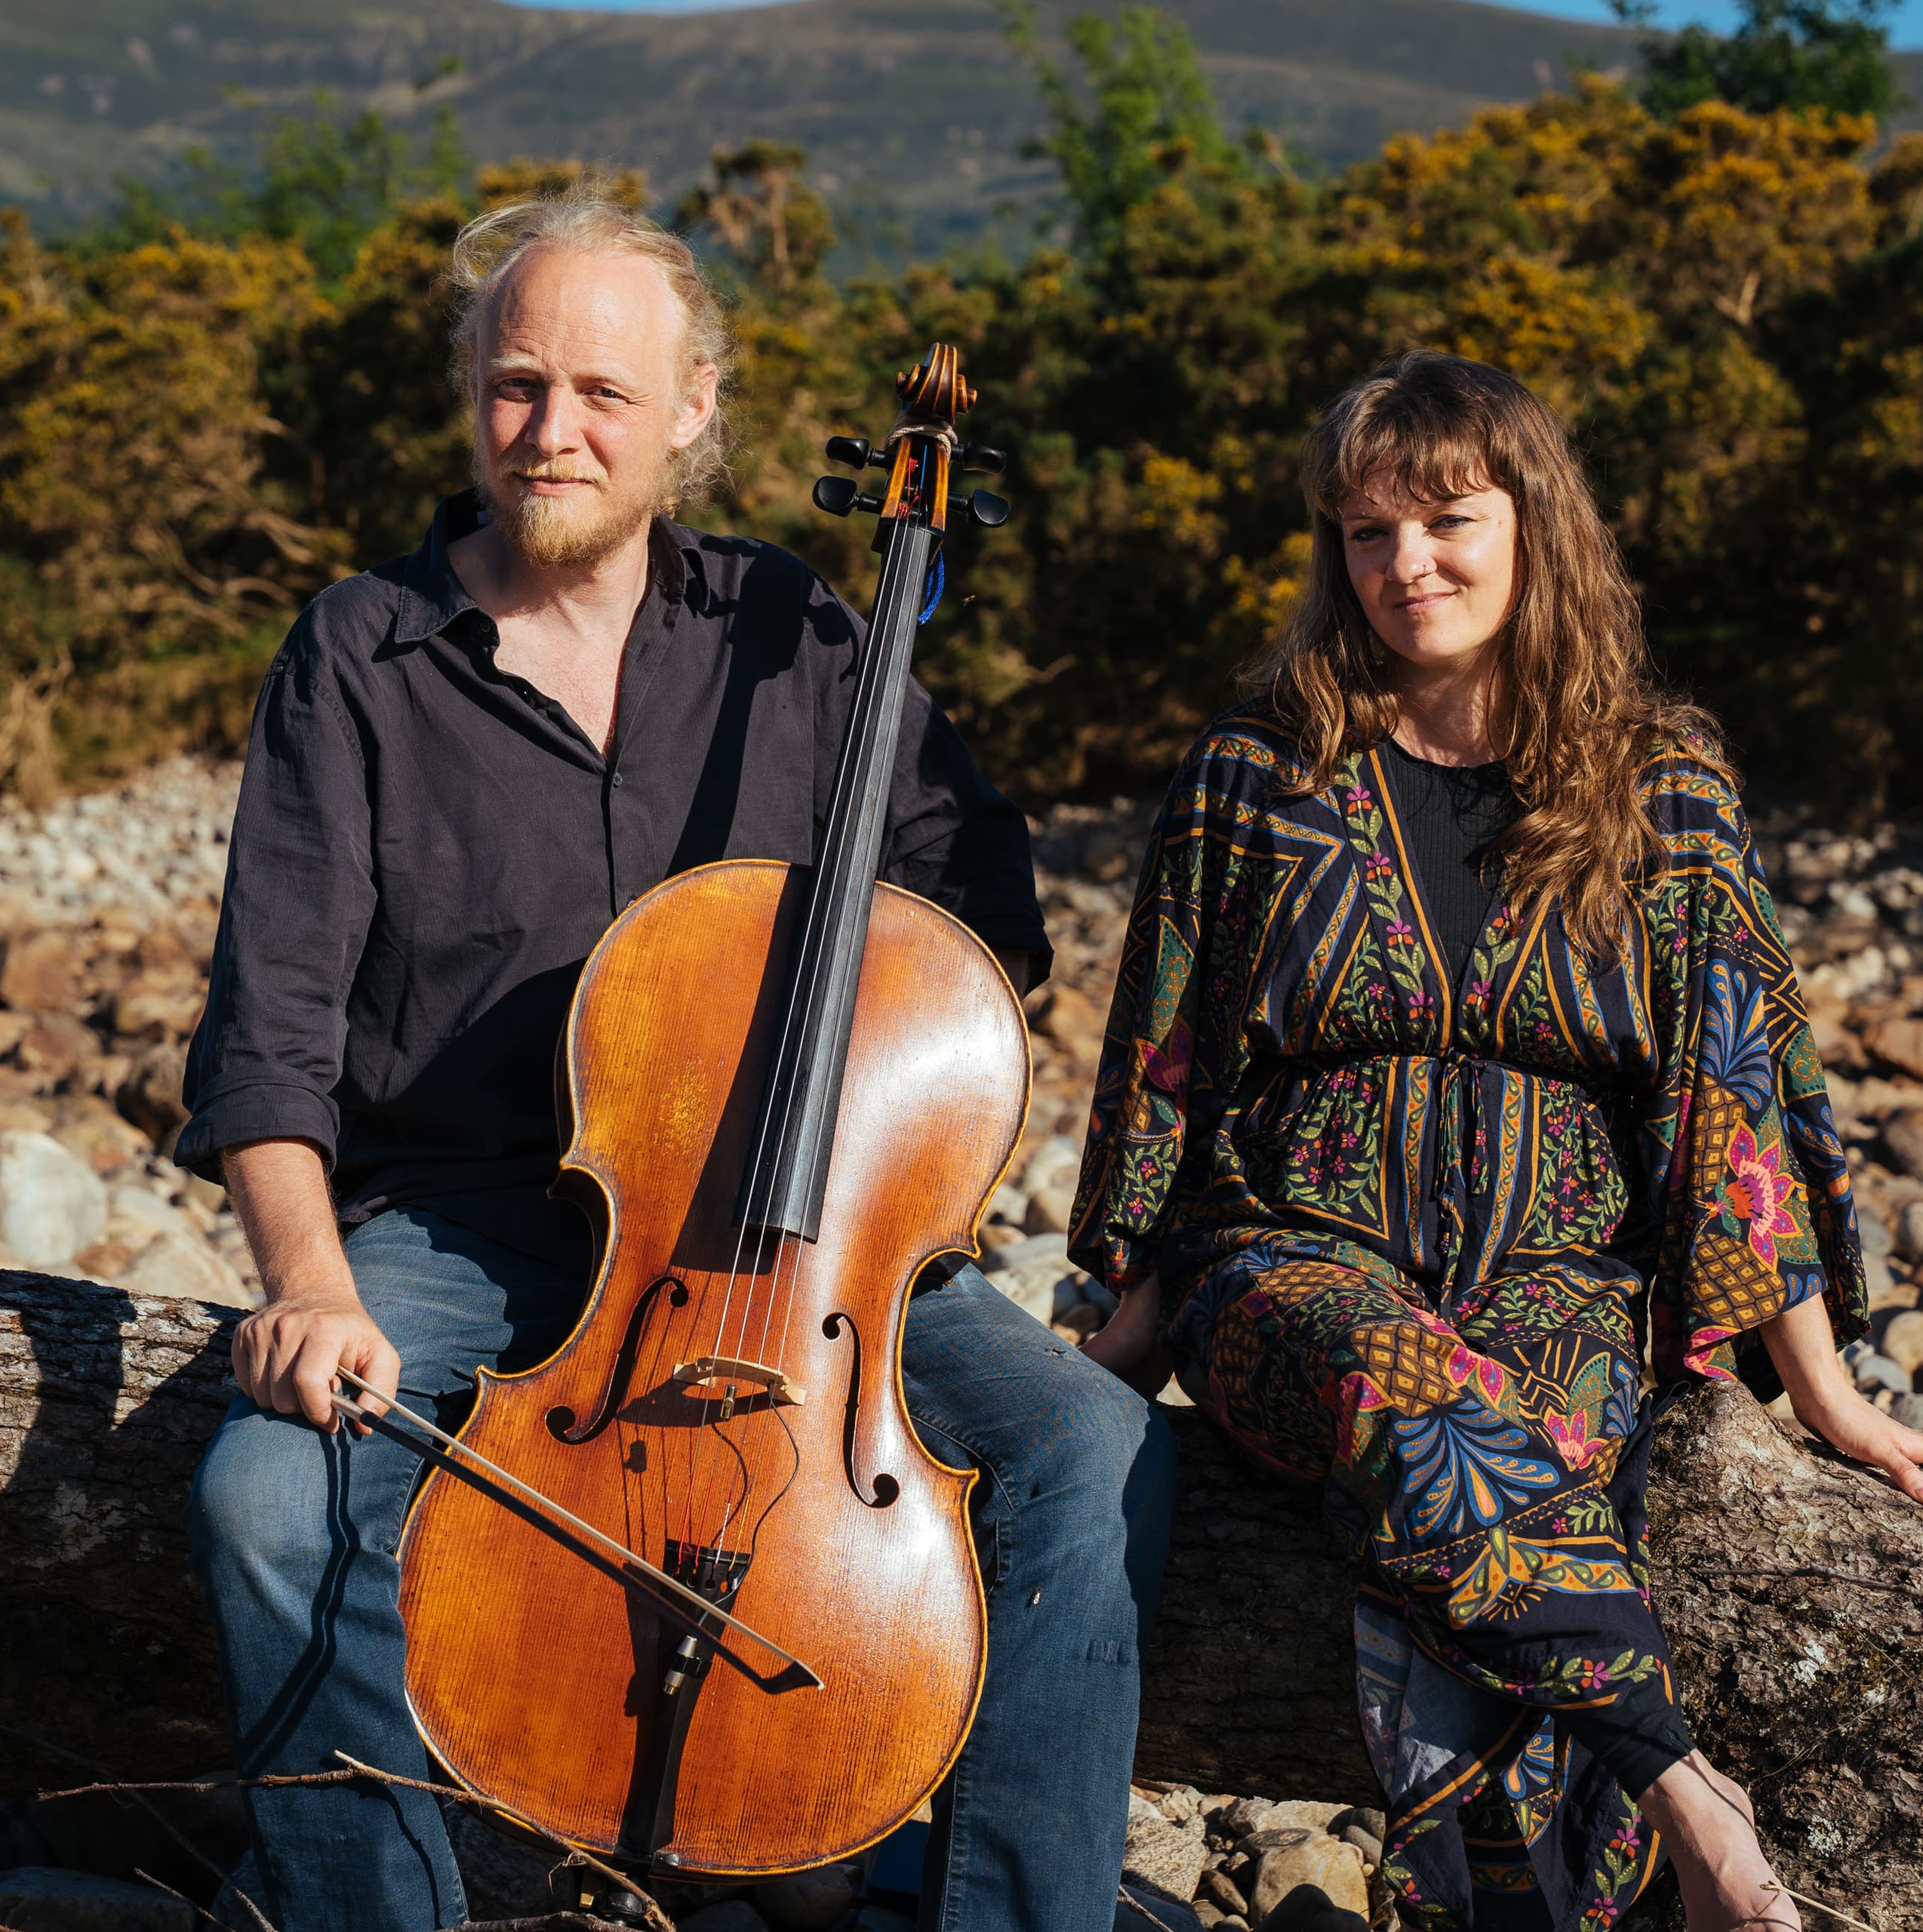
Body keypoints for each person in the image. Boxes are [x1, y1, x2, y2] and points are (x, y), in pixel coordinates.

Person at [174, 189, 1175, 1932]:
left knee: (1091, 1447)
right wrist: (311, 1286)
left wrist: (861, 1084)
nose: (550, 431)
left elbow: (982, 903)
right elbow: (269, 1030)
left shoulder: (799, 640)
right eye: (515, 384)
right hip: (474, 1222)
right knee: (266, 1492)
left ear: (694, 410)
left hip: (800, 1239)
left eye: (602, 394)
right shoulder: (361, 651)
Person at [1069, 351, 1923, 1932]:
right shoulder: (1256, 769)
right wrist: (1108, 1351)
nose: (1404, 564)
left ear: (1533, 521)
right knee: (1403, 1389)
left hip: (1564, 1271)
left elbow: (1732, 1093)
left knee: (1537, 1466)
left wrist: (1831, 1394)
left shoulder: (1662, 781)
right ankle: (1690, 1792)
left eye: (1443, 518)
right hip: (1294, 1259)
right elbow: (1164, 1071)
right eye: (1365, 533)